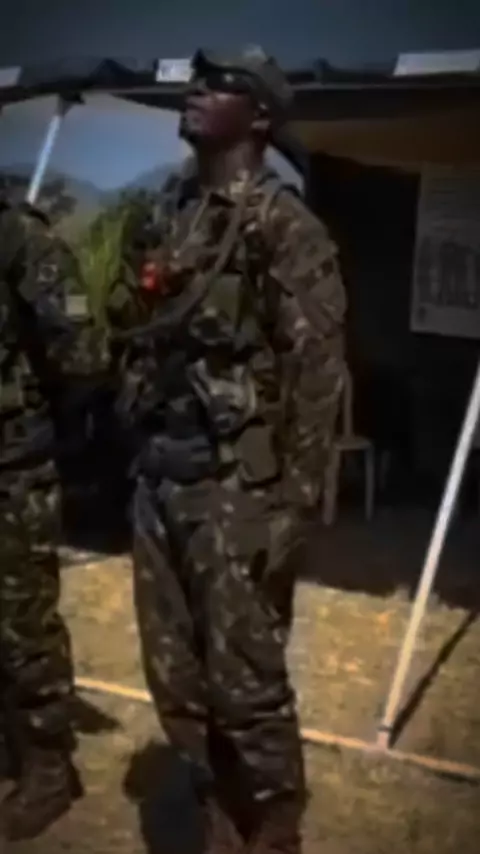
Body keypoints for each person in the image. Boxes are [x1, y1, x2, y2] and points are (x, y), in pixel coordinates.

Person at [110, 46, 346, 853]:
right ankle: (215, 812)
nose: (197, 93)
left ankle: (273, 828)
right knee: (175, 673)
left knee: (245, 680)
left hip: (234, 488)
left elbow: (318, 375)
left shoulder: (285, 226)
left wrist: (295, 507)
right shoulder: (171, 212)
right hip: (161, 474)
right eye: (197, 81)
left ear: (260, 116)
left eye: (220, 87)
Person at [0, 200, 106, 841]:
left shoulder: (21, 239)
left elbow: (83, 358)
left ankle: (48, 766)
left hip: (11, 470)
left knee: (21, 623)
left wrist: (41, 433)